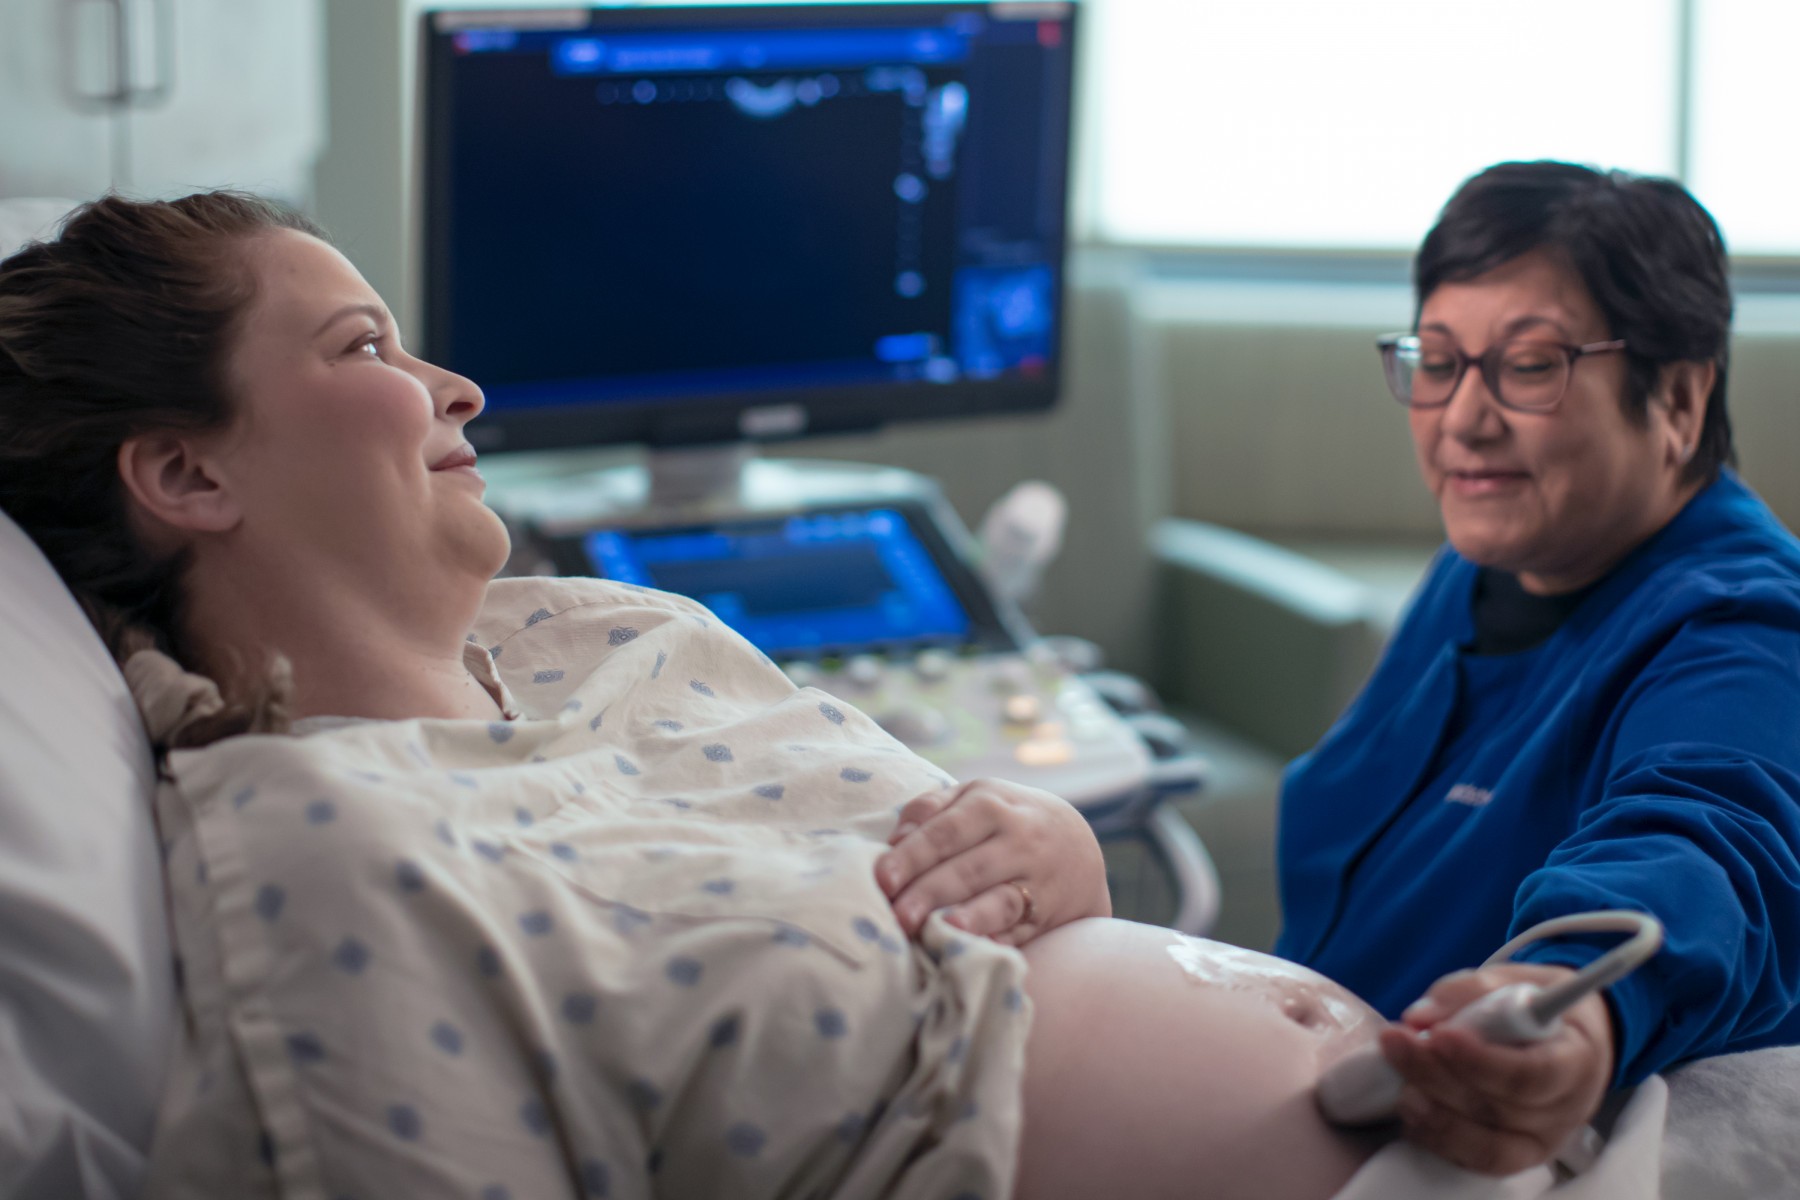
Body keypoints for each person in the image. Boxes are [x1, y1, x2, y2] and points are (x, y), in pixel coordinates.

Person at [0, 192, 1393, 1200]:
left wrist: (1058, 855)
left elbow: (981, 896)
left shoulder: (625, 630)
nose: (459, 388)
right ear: (186, 473)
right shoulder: (325, 847)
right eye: (365, 349)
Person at [1275, 161, 1800, 1175]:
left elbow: (1707, 845)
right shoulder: (1496, 557)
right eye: (1437, 361)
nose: (1463, 419)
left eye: (1528, 365)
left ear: (1679, 397)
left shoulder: (1750, 624)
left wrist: (1571, 1005)